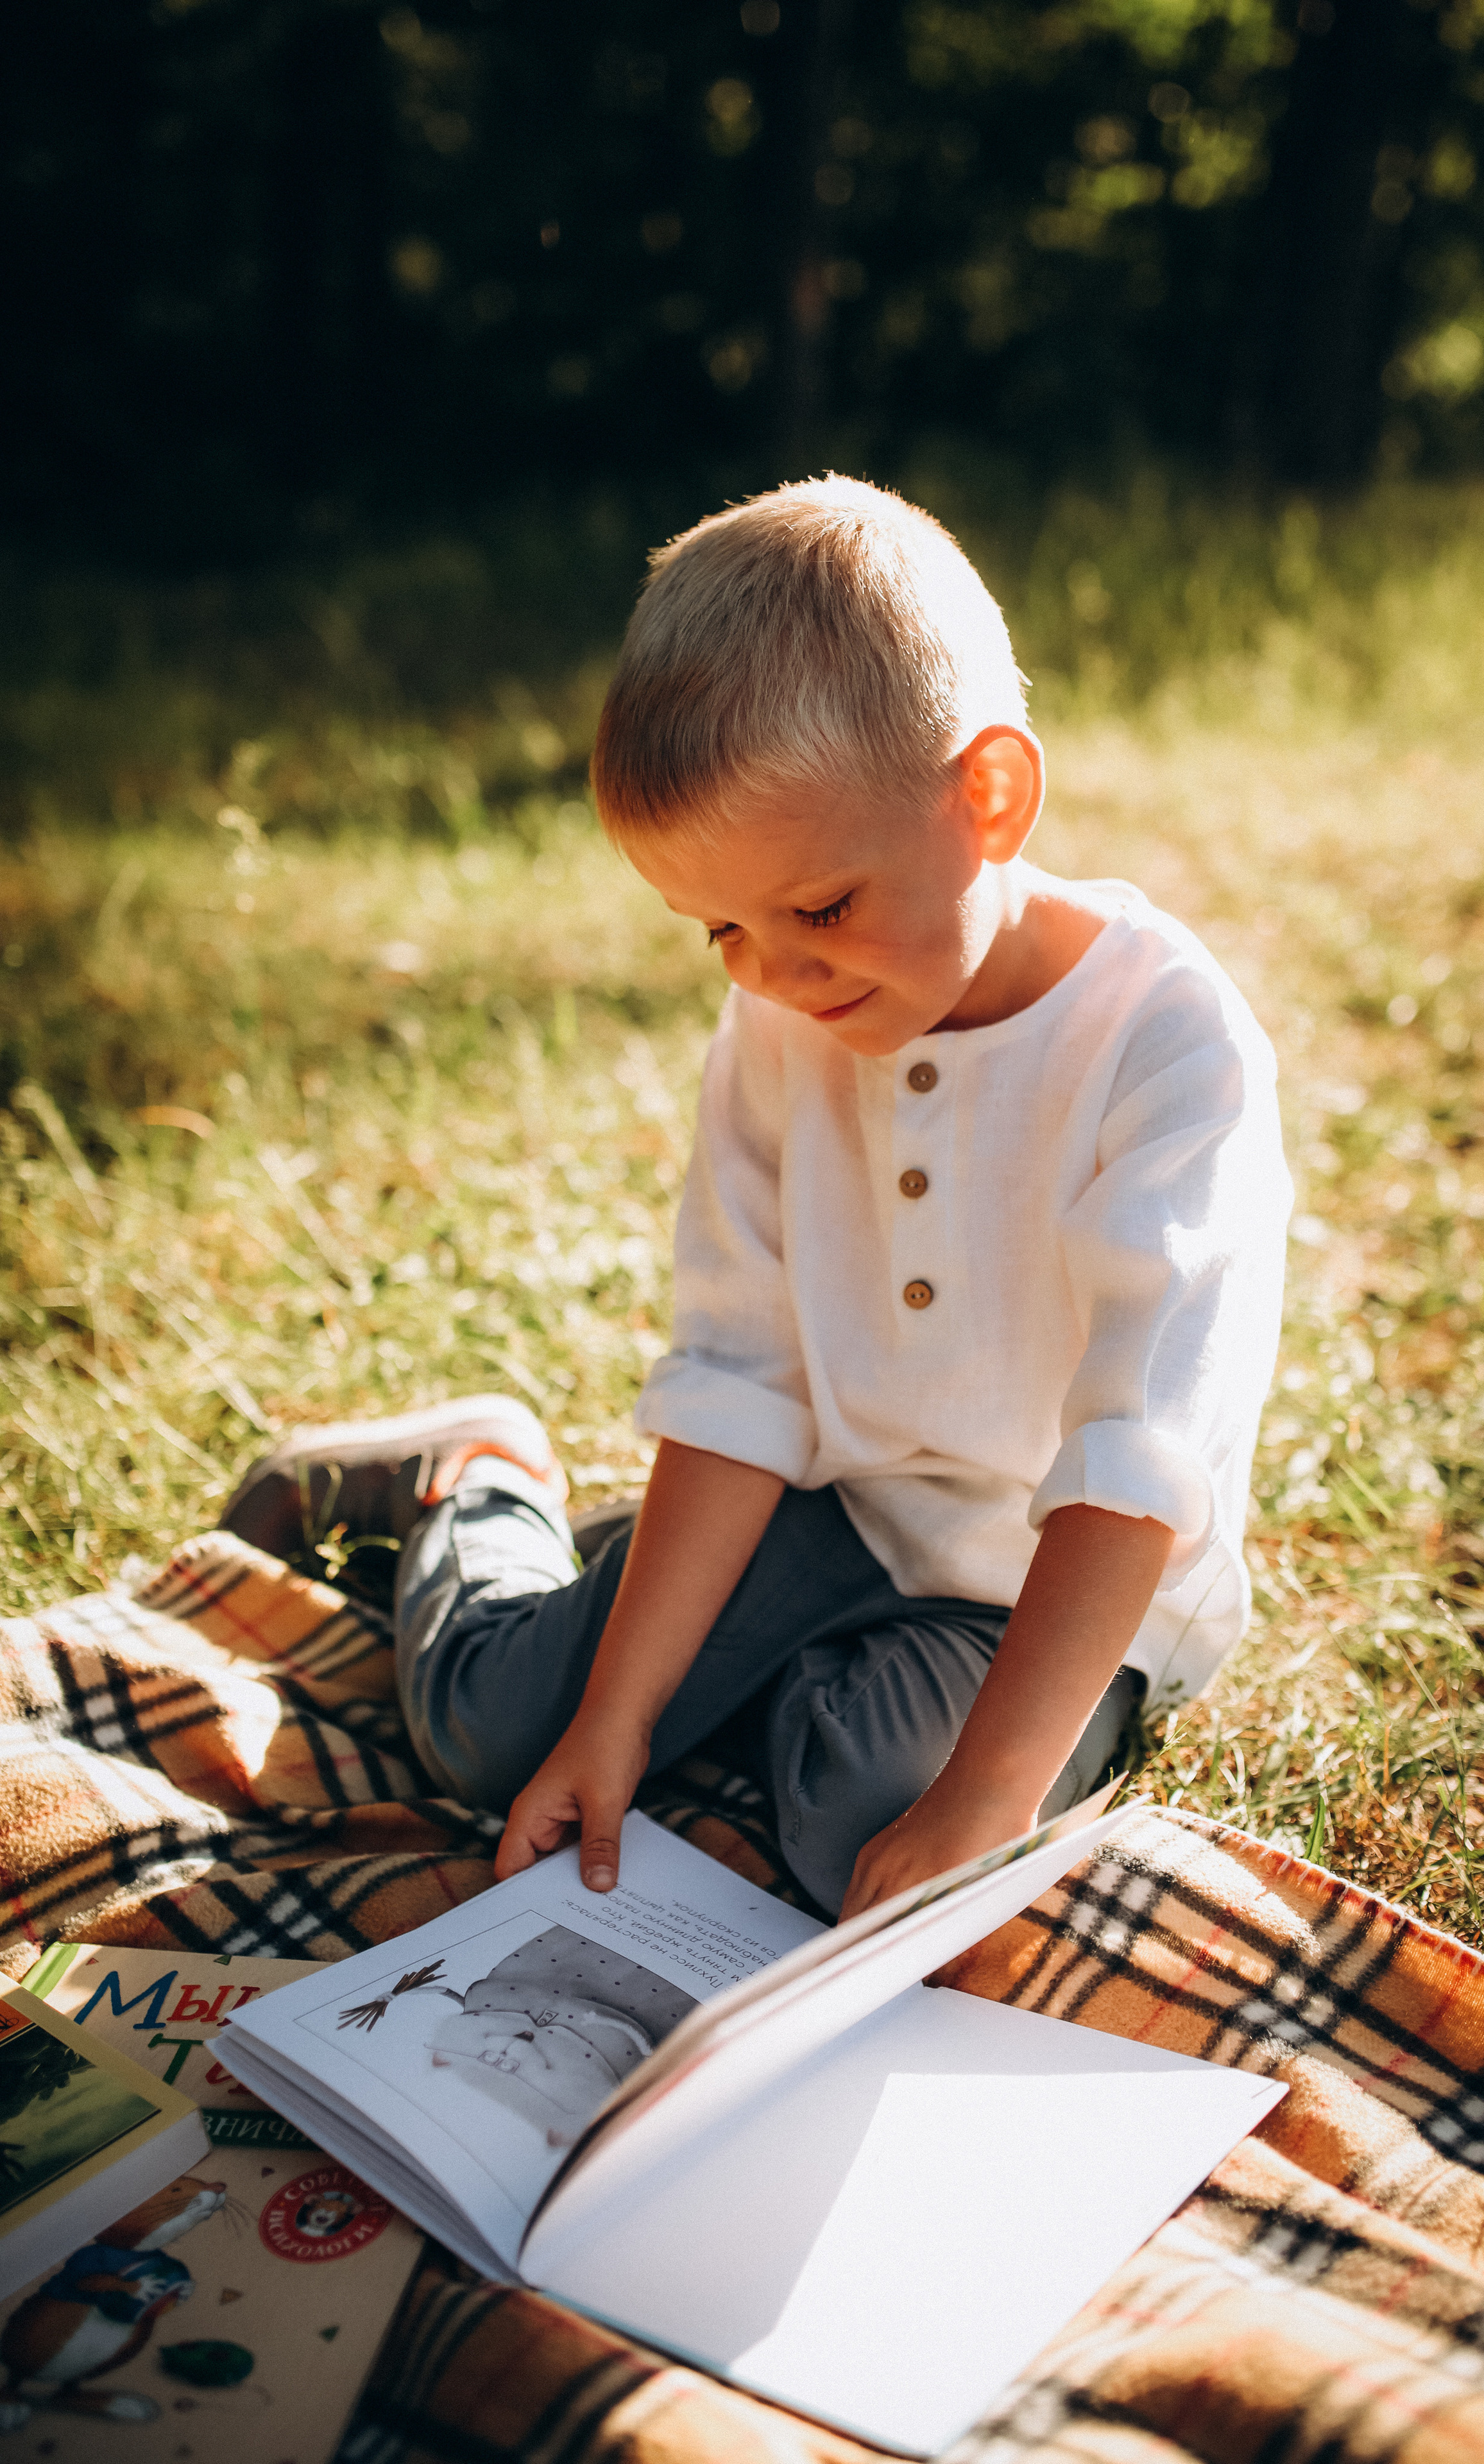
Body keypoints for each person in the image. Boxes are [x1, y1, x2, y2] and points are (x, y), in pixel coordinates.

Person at [221, 477, 1291, 1922]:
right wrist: (614, 1716)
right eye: (720, 928)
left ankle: (761, 1668)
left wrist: (985, 1797)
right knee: (498, 1734)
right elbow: (742, 1374)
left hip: (1042, 1587)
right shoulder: (785, 1023)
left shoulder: (1166, 1045)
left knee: (879, 1833)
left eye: (821, 909)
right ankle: (473, 1477)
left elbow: (1136, 1458)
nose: (773, 975)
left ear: (988, 797)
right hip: (826, 1504)